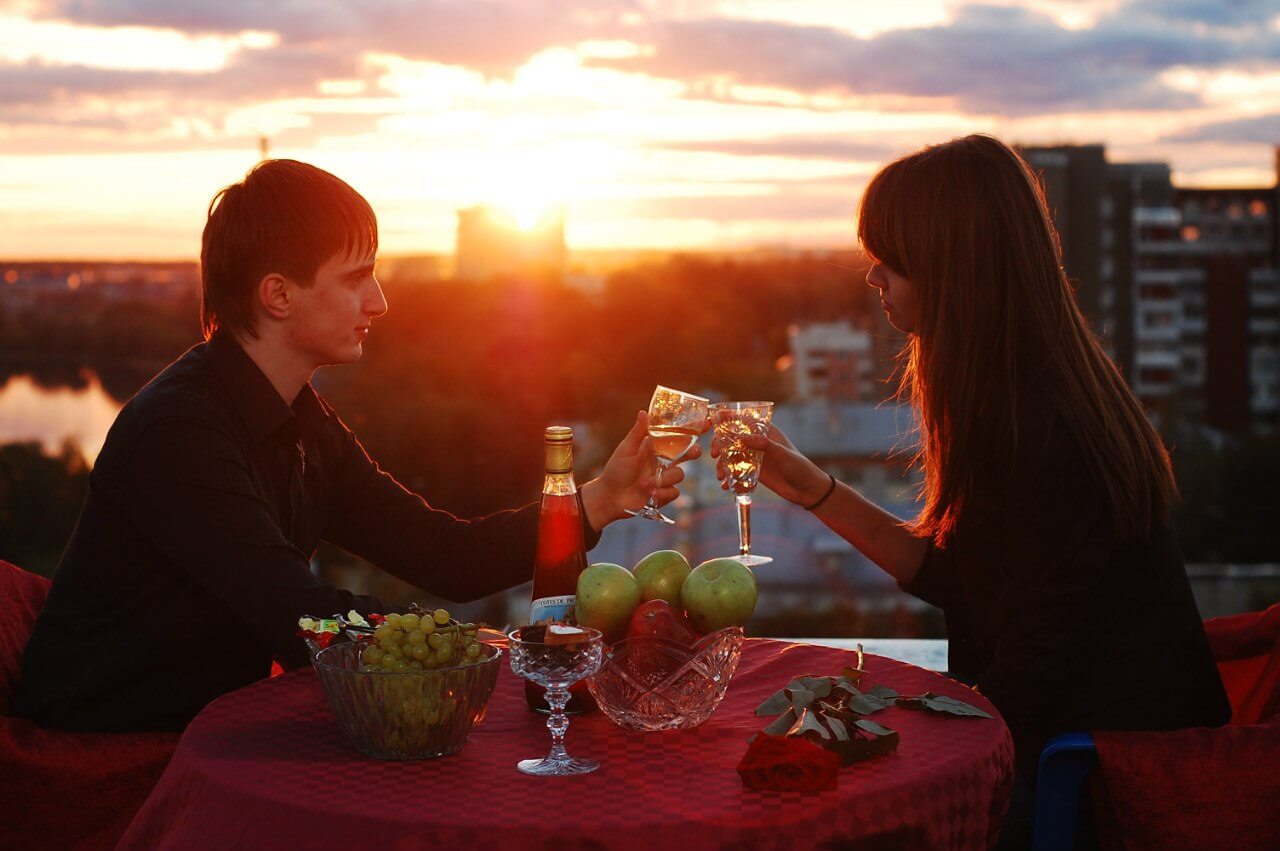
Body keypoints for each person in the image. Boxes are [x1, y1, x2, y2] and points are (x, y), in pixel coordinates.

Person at [16, 159, 696, 733]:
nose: (379, 301)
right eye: (355, 278)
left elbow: (444, 553)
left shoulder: (300, 420)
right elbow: (299, 614)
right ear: (278, 294)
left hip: (203, 727)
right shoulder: (178, 430)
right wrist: (469, 646)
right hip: (103, 747)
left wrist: (600, 499)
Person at [714, 135, 1229, 843]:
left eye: (888, 258)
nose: (874, 279)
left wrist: (890, 737)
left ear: (952, 267)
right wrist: (814, 488)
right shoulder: (1021, 391)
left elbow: (1031, 669)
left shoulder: (1036, 425)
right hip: (1073, 750)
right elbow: (959, 579)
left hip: (1100, 785)